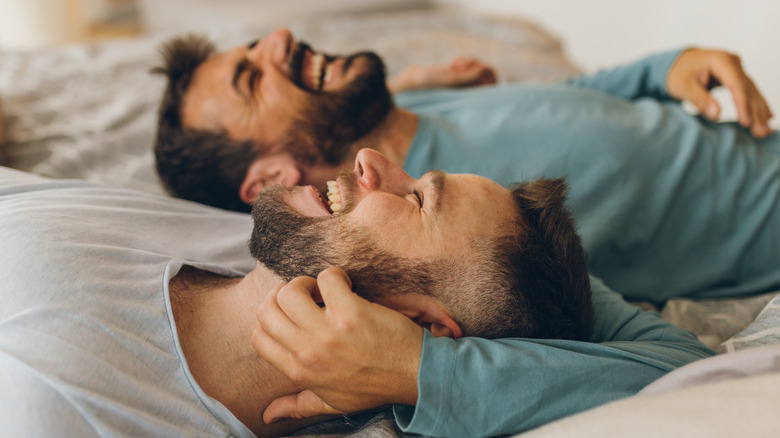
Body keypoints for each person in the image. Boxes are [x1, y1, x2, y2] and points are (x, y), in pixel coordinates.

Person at [1, 149, 661, 437]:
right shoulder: (271, 242)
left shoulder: (63, 412)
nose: (370, 160)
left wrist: (421, 371)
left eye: (414, 198)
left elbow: (688, 377)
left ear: (422, 324)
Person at [152, 29, 780, 309]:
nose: (280, 38)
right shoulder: (458, 228)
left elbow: (566, 106)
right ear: (269, 181)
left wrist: (665, 68)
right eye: (252, 78)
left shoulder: (397, 110)